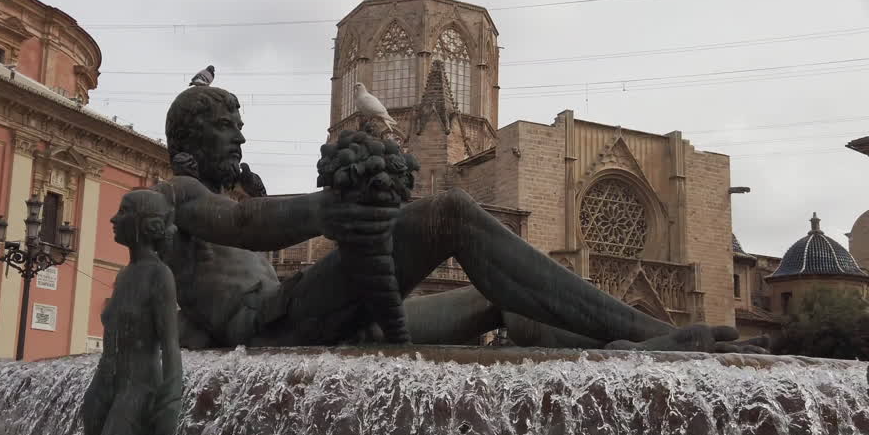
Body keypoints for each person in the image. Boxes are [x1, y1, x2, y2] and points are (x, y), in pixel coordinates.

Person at [153, 85, 750, 352]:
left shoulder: (226, 191)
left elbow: (251, 222)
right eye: (227, 131)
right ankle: (652, 332)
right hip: (279, 328)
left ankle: (623, 348)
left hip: (333, 320)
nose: (240, 140)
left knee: (498, 299)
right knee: (449, 213)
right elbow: (243, 227)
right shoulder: (179, 193)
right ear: (190, 139)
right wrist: (328, 209)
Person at [81, 188, 182, 435]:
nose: (113, 219)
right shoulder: (124, 276)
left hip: (138, 385)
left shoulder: (160, 275)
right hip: (103, 385)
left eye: (122, 212)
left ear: (144, 224)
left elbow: (170, 346)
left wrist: (170, 398)